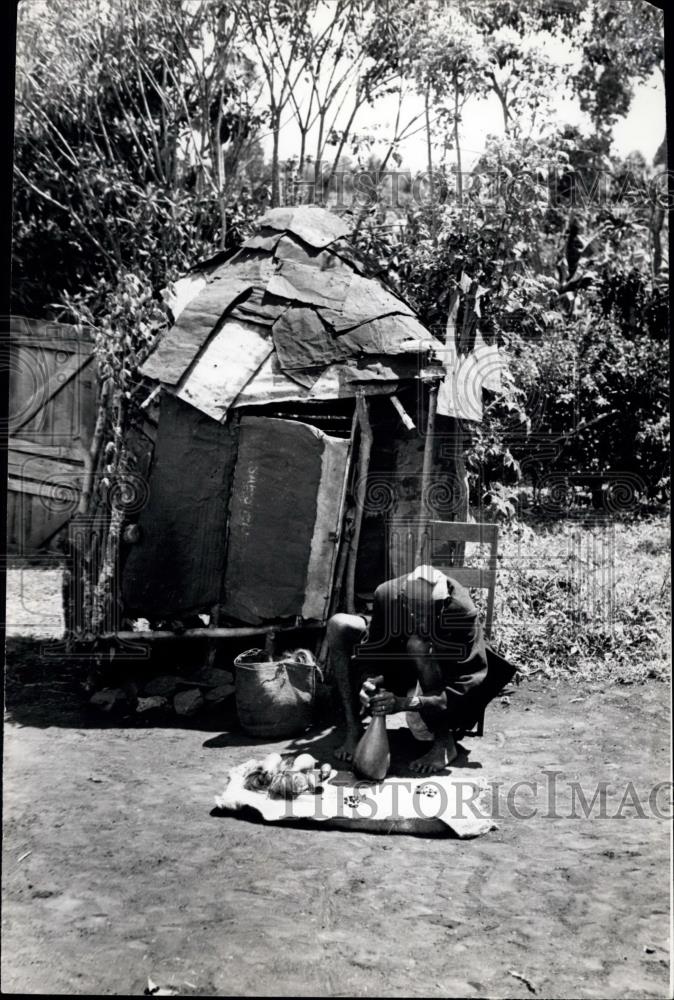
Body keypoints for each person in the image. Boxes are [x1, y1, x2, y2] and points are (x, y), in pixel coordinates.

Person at [326, 565, 515, 775]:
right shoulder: (387, 595)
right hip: (400, 660)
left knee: (418, 643)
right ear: (404, 600)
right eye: (414, 612)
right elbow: (371, 652)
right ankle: (354, 730)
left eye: (427, 614)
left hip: (442, 667)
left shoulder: (460, 610)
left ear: (442, 605)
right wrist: (370, 682)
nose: (420, 621)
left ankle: (444, 743)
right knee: (338, 624)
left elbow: (466, 683)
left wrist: (407, 703)